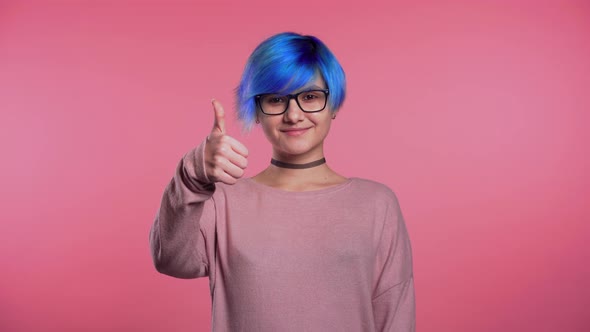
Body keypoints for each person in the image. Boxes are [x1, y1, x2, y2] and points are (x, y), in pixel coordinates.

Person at [149, 32, 415, 331]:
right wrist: (191, 174)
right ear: (257, 111)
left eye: (310, 97)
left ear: (334, 104)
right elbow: (170, 259)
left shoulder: (377, 204)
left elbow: (395, 315)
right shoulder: (222, 201)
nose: (293, 114)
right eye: (276, 99)